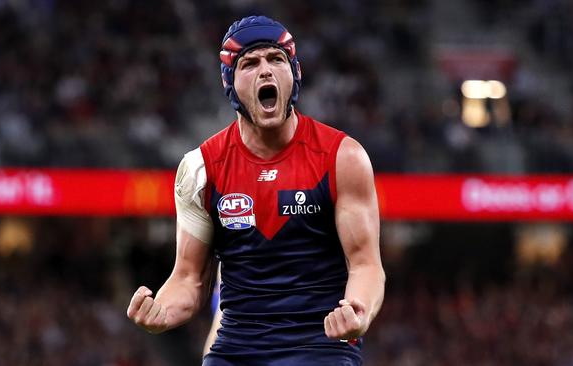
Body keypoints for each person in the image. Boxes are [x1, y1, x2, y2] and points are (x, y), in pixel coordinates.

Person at [127, 15, 385, 366]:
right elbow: (189, 278)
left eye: (276, 59)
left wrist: (358, 311)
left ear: (294, 73)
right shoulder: (200, 168)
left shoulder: (343, 157)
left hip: (321, 344)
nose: (266, 70)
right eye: (250, 63)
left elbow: (366, 264)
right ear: (229, 81)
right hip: (236, 347)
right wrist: (161, 312)